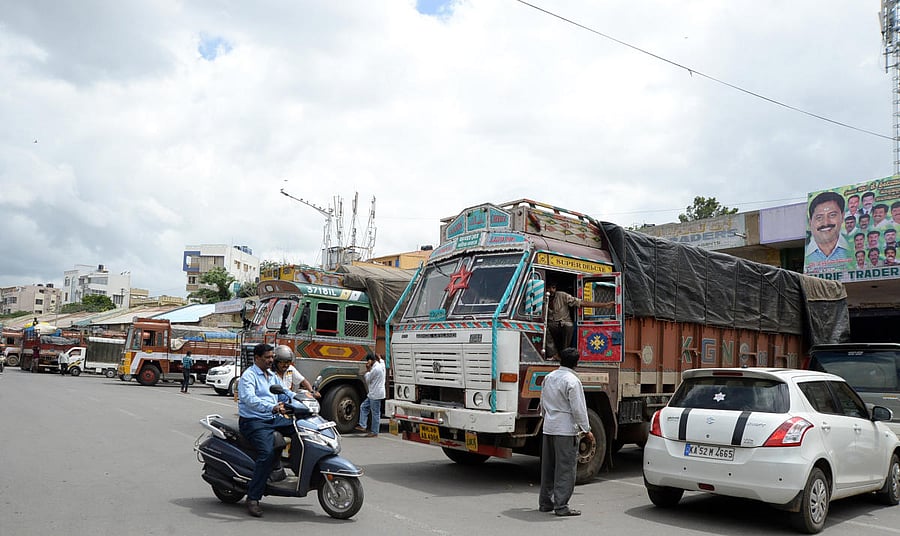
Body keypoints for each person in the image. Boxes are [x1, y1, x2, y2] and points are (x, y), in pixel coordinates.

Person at [238, 343, 297, 518]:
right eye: (268, 357)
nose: (271, 360)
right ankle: (253, 498)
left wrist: (301, 398)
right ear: (257, 358)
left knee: (301, 430)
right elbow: (249, 399)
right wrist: (272, 407)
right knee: (267, 453)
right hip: (254, 421)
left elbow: (284, 393)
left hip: (272, 418)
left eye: (272, 357)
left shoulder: (271, 375)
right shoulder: (248, 376)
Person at [538, 347, 593, 517]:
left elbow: (542, 402)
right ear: (577, 363)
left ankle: (545, 503)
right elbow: (578, 409)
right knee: (565, 468)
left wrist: (546, 417)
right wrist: (586, 429)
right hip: (565, 429)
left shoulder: (549, 377)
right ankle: (561, 506)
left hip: (549, 427)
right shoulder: (572, 381)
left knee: (548, 466)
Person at [545, 282, 613, 360]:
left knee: (568, 326)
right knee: (544, 328)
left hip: (564, 322)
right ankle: (554, 354)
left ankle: (563, 354)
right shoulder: (542, 298)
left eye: (553, 288)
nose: (551, 290)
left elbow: (581, 302)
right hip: (552, 324)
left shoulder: (562, 295)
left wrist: (604, 305)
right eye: (548, 288)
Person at [805, 191, 851, 265]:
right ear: (810, 222)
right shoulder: (807, 253)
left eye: (832, 215)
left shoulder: (854, 247)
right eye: (819, 217)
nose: (826, 223)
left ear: (842, 217)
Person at [355, 352, 386, 437]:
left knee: (375, 413)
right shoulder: (381, 366)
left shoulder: (375, 369)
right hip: (375, 393)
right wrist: (380, 358)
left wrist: (368, 370)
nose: (367, 363)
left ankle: (374, 432)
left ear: (370, 360)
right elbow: (382, 362)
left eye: (368, 361)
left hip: (375, 394)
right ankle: (363, 425)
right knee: (364, 407)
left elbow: (368, 379)